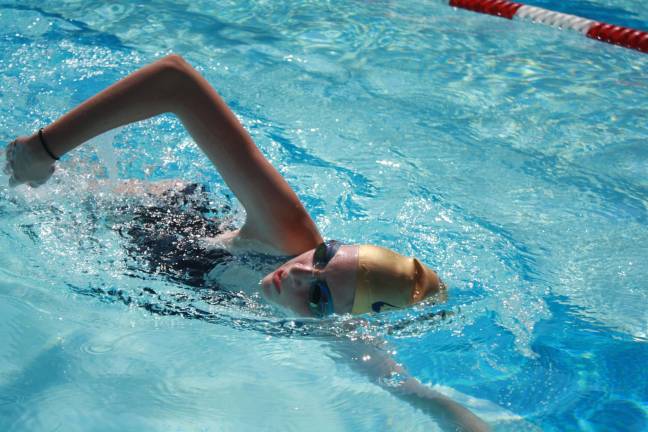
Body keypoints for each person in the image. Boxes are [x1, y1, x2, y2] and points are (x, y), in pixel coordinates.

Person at [4, 55, 489, 431]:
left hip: (134, 260)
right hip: (152, 218)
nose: (298, 273)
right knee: (19, 191)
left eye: (318, 297)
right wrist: (42, 150)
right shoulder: (287, 234)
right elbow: (174, 80)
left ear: (339, 320)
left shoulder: (334, 333)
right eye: (322, 257)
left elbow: (416, 394)